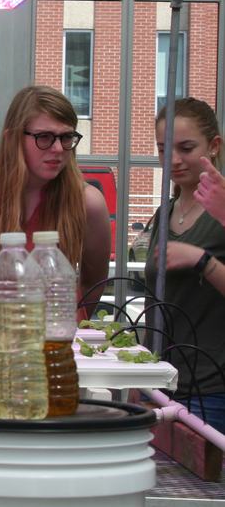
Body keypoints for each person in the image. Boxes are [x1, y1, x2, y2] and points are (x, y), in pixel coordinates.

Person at [0, 85, 110, 319]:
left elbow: (93, 283)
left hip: (53, 349)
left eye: (67, 137)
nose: (58, 149)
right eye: (44, 137)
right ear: (12, 138)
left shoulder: (87, 202)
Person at [144, 97, 225, 432]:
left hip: (212, 388)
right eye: (165, 150)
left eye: (187, 148)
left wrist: (201, 260)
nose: (174, 160)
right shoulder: (166, 213)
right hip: (161, 383)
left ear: (215, 146)